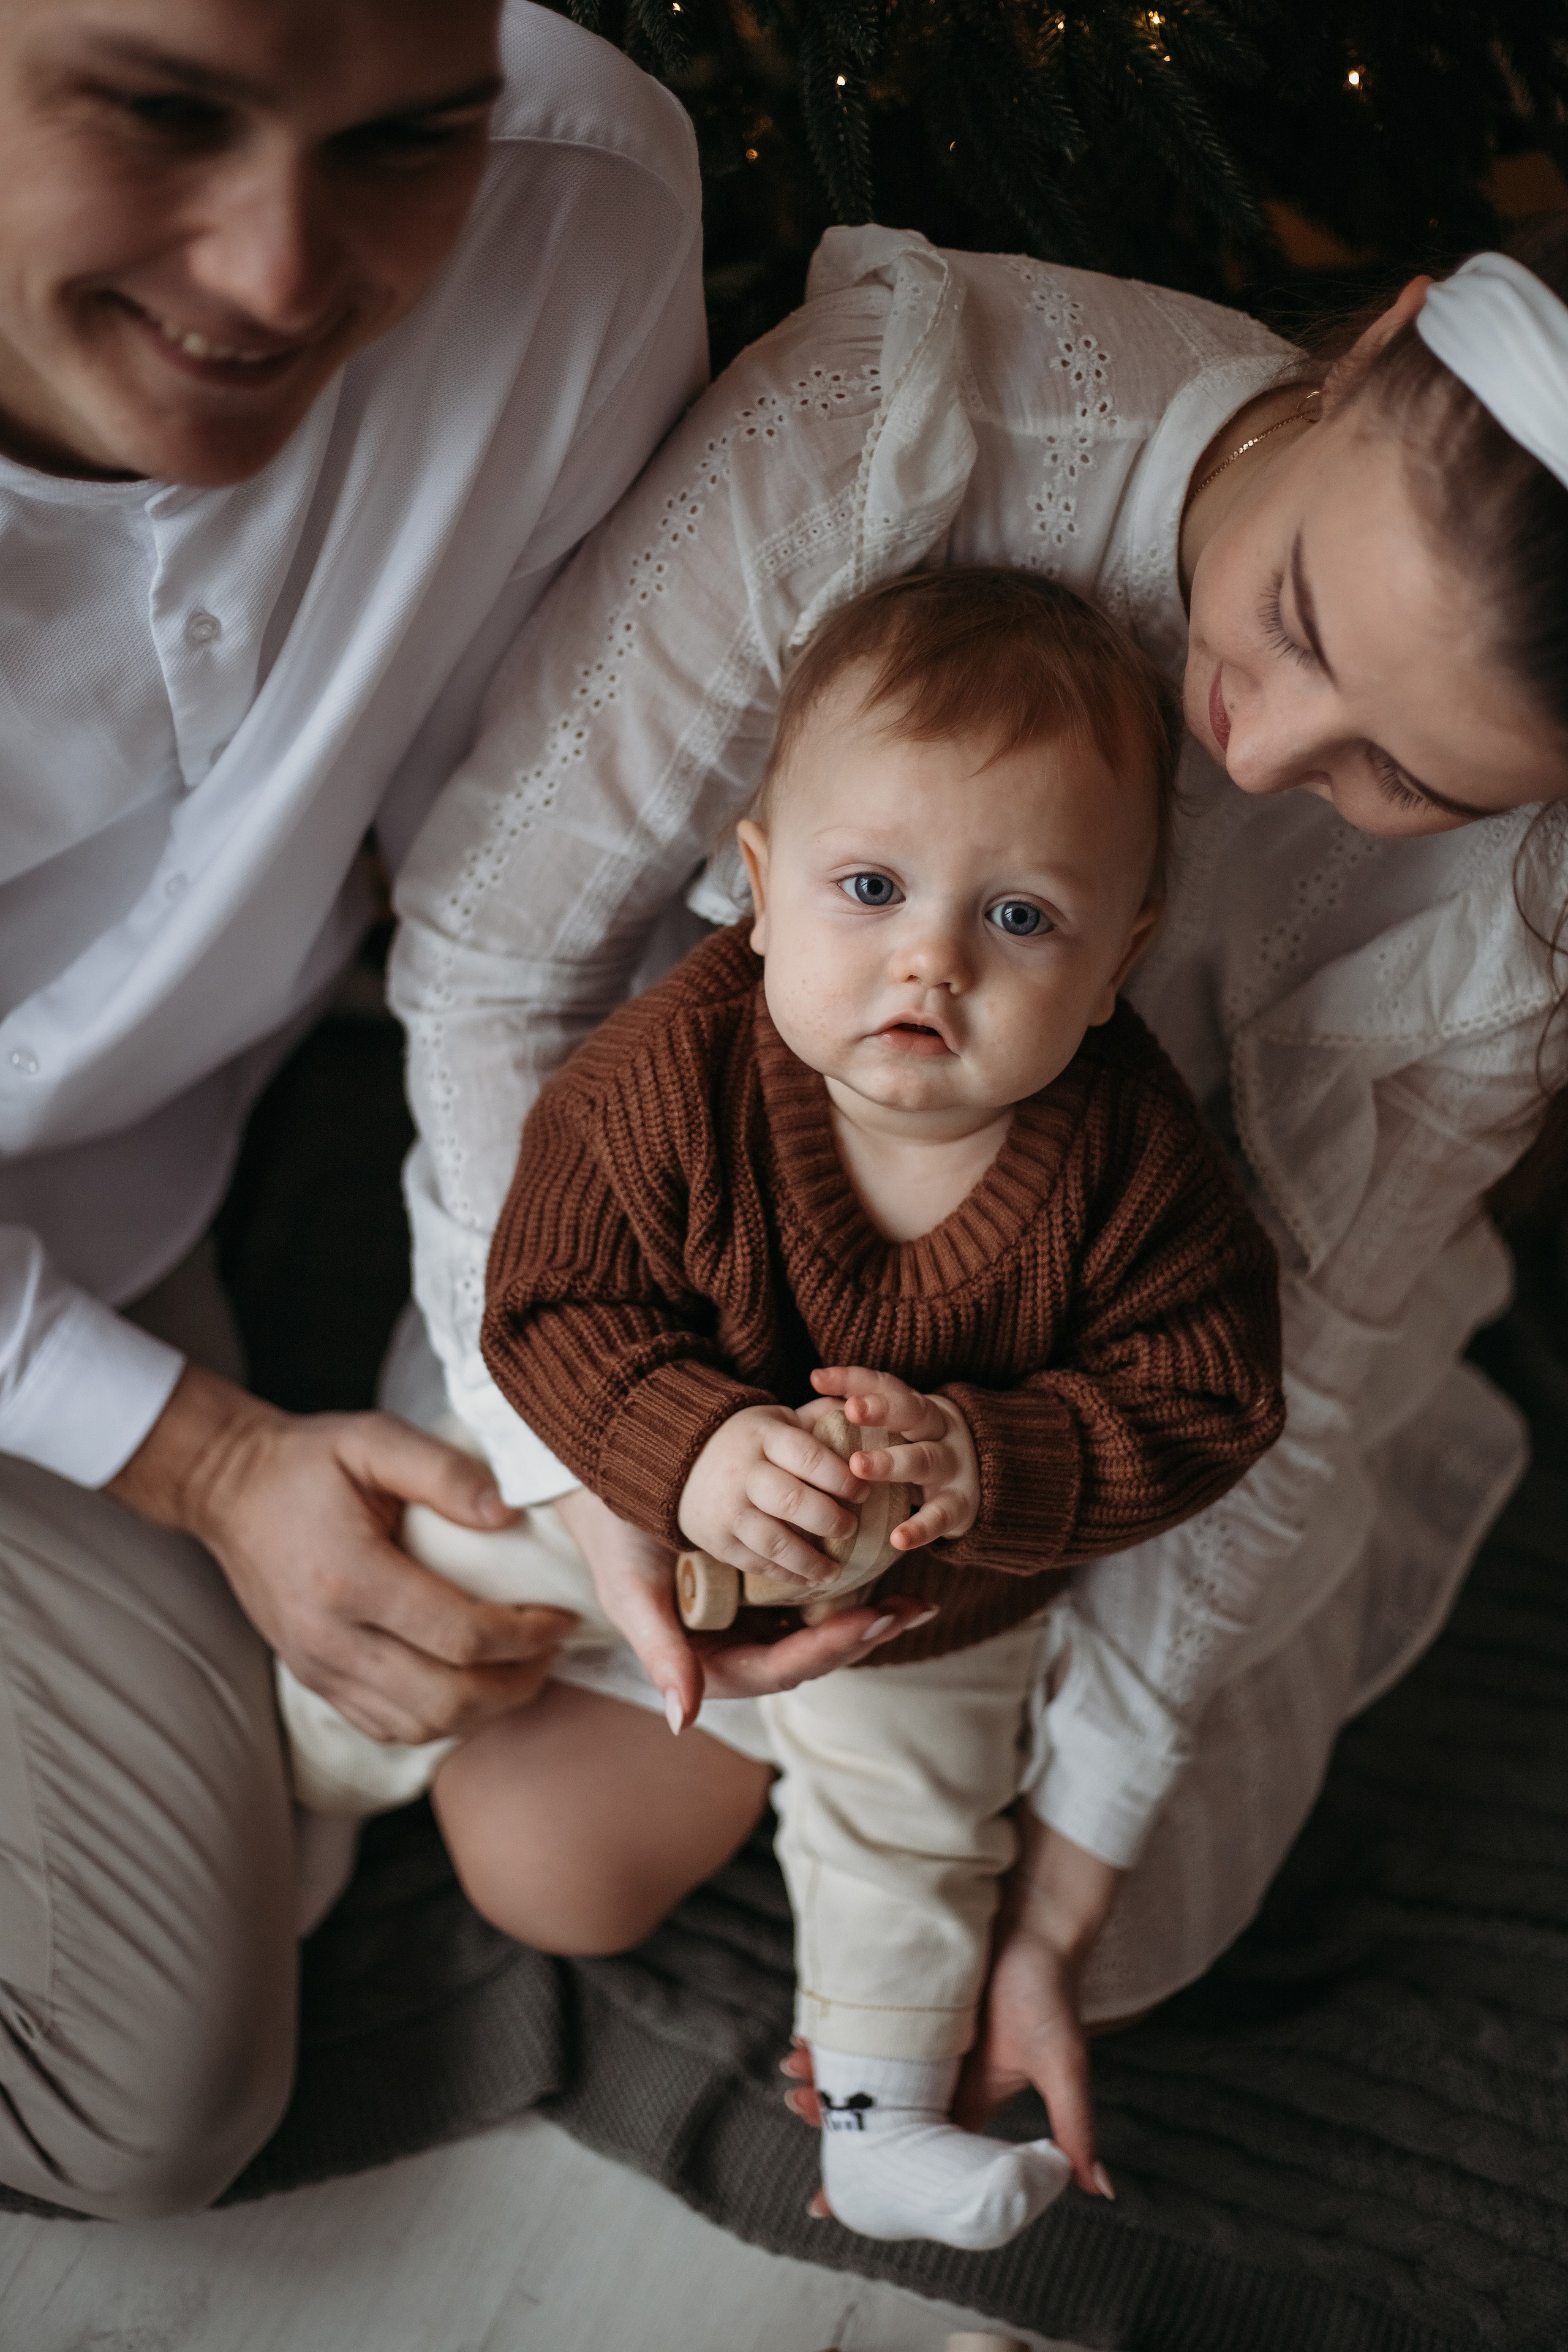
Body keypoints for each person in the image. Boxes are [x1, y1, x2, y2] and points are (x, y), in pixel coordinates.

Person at [390, 222, 1568, 2201]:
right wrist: (623, 1479)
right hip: (686, 1284)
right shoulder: (898, 432)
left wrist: (1067, 1873)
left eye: (1408, 780)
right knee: (543, 1854)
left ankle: (880, 2034)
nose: (1260, 752)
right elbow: (495, 967)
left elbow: (1281, 1369)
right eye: (1292, 613)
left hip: (1068, 1451)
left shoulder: (1533, 918)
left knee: (1090, 1934)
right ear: (1380, 339)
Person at [0, 0, 895, 2225]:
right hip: (104, 1352)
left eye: (403, 137)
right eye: (156, 111)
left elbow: (530, 918)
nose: (282, 274)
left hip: (104, 1218)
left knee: (149, 2099)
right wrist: (199, 1458)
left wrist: (599, 1416)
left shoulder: (581, 202)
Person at [290, 565, 1286, 2247]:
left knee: (923, 1833)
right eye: (873, 886)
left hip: (915, 1598)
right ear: (757, 892)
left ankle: (883, 2117)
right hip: (621, 1504)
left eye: (1023, 918)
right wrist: (687, 1447)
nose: (933, 960)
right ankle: (296, 1778)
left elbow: (1207, 1397)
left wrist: (996, 1454)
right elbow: (549, 1303)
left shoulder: (1136, 1171)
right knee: (434, 1576)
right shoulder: (662, 1084)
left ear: (1121, 965)